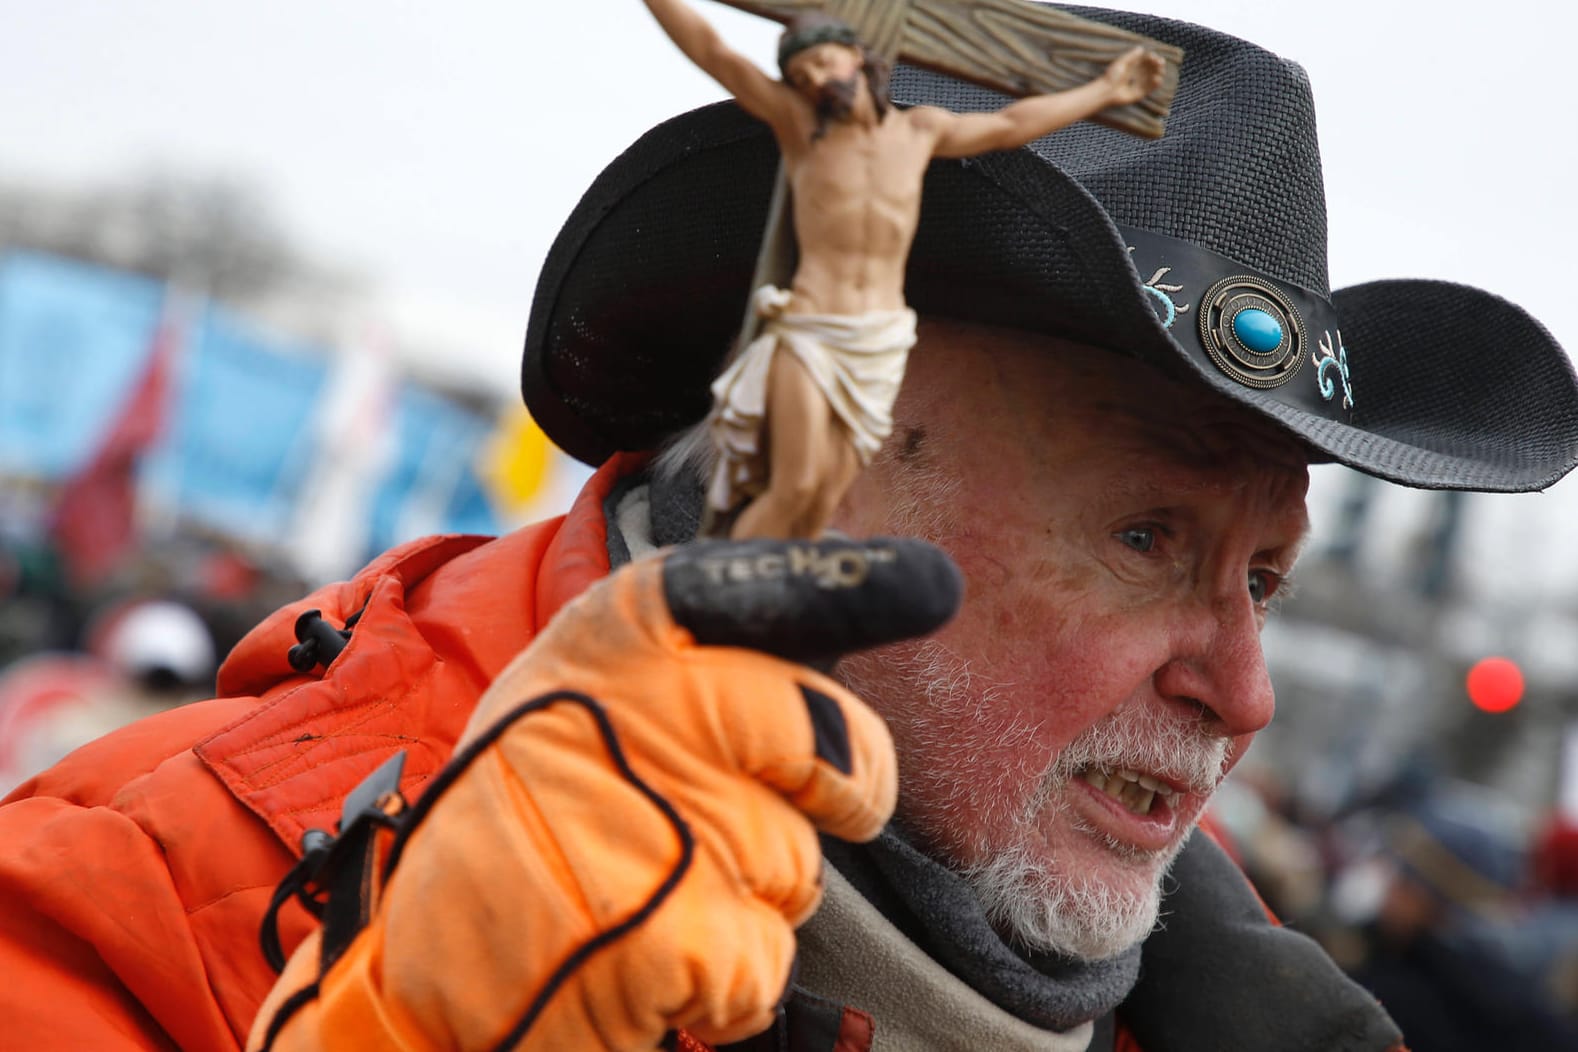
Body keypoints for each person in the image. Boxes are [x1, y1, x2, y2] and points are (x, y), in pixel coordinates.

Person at [5, 6, 1578, 1051]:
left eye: (1263, 579)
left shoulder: (1253, 1014)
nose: (1242, 696)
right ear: (825, 464)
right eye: (1149, 540)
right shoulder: (151, 895)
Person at [641, 1, 1163, 540]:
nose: (817, 79)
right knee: (792, 482)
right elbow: (715, 52)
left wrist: (1104, 91)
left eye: (825, 62)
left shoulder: (917, 133)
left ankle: (776, 589)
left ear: (859, 60)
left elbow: (1012, 123)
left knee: (827, 492)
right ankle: (730, 585)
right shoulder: (804, 129)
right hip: (812, 327)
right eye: (802, 74)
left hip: (879, 339)